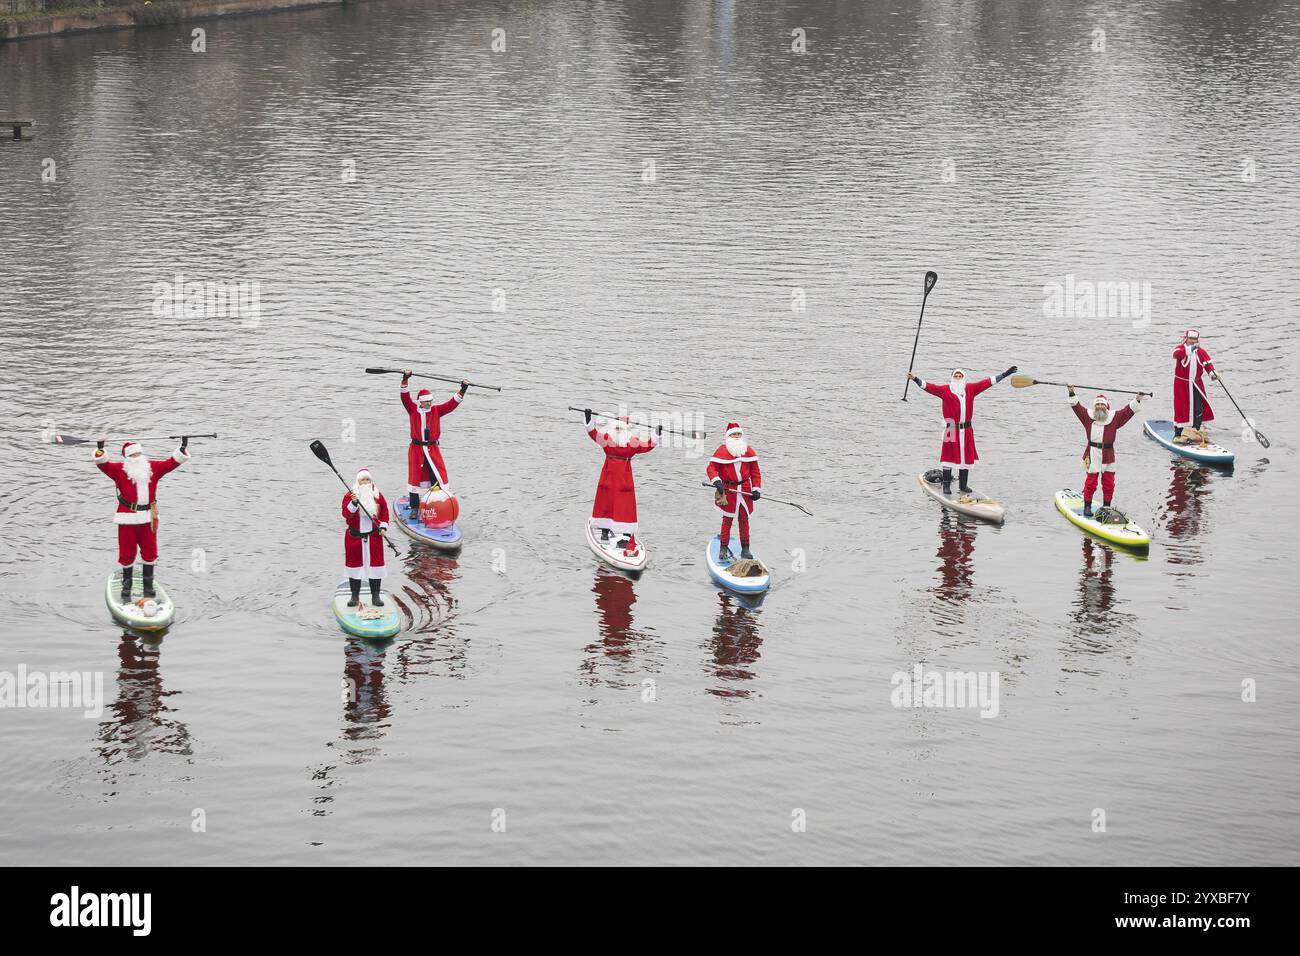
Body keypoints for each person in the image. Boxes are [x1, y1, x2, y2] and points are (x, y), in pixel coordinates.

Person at [94, 439, 190, 600]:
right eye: (132, 455)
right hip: (127, 519)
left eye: (138, 453)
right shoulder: (119, 470)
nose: (137, 457)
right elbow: (102, 463)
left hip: (148, 518)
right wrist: (100, 449)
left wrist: (182, 447)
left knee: (150, 551)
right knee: (127, 552)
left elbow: (171, 463)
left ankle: (148, 586)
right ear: (127, 458)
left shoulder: (152, 468)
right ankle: (126, 587)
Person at [906, 366, 1017, 494]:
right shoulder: (945, 390)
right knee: (948, 457)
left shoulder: (970, 389)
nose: (958, 378)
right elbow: (929, 387)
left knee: (966, 457)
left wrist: (1004, 374)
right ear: (952, 378)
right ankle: (946, 486)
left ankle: (963, 485)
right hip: (951, 428)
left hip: (967, 429)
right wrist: (914, 378)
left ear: (963, 378)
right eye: (956, 376)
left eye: (960, 376)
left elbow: (986, 383)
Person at [1066, 387, 1147, 517]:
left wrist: (1136, 399)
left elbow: (1127, 411)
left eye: (1102, 404)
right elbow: (1076, 406)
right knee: (1091, 482)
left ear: (1106, 406)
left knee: (1109, 482)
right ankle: (1087, 506)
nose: (1099, 407)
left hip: (1109, 453)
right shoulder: (1087, 416)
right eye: (1097, 404)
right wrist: (1071, 392)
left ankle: (1107, 508)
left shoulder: (1114, 417)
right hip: (1093, 453)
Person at [584, 410, 658, 551]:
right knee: (608, 500)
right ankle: (607, 531)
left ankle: (622, 535)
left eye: (620, 428)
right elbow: (649, 445)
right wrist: (656, 435)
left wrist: (656, 433)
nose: (618, 431)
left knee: (623, 503)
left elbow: (592, 432)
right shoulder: (627, 442)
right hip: (615, 478)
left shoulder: (610, 439)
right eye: (616, 428)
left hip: (615, 477)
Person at [399, 370, 468, 519]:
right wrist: (405, 379)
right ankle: (415, 508)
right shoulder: (412, 410)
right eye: (426, 401)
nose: (429, 403)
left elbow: (451, 404)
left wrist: (463, 389)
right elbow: (405, 397)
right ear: (420, 402)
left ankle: (436, 505)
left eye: (430, 400)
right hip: (416, 450)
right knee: (414, 480)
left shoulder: (437, 410)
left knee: (436, 477)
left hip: (432, 450)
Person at [707, 422, 762, 562]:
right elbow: (711, 468)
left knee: (744, 519)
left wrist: (756, 488)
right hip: (728, 490)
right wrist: (717, 481)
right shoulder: (722, 451)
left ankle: (745, 548)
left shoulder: (748, 451)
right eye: (733, 434)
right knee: (727, 520)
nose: (736, 437)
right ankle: (723, 548)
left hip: (744, 489)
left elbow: (755, 472)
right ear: (728, 436)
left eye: (739, 434)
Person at [342, 467, 390, 607]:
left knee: (375, 568)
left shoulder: (377, 495)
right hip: (355, 538)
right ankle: (354, 596)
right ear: (358, 481)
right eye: (362, 480)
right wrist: (354, 503)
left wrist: (383, 526)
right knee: (354, 568)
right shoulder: (350, 496)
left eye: (367, 479)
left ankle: (375, 595)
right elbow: (346, 515)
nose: (365, 482)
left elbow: (385, 513)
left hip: (373, 537)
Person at [1172, 329, 1217, 441]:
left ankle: (1196, 431)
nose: (1192, 341)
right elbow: (1175, 354)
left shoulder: (1201, 352)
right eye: (1191, 339)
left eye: (1195, 339)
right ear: (1186, 339)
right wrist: (1191, 349)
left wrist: (1213, 373)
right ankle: (1177, 434)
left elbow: (1208, 365)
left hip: (1196, 384)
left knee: (1198, 409)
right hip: (1181, 384)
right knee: (1181, 408)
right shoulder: (1181, 348)